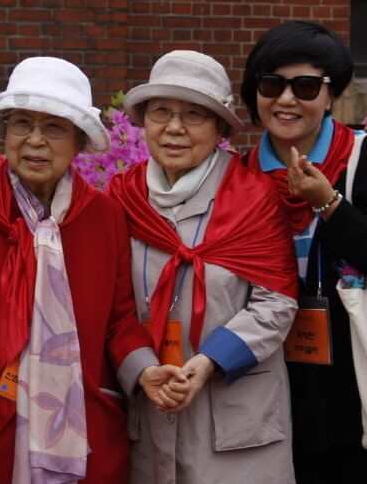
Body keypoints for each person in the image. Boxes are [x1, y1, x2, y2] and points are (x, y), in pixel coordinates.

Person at [0, 56, 186, 484]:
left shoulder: (104, 218)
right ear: (4, 133)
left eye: (54, 128)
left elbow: (119, 320)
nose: (35, 141)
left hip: (87, 429)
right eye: (22, 124)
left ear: (78, 141)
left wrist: (146, 371)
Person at [241, 21, 367, 483]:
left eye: (305, 86)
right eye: (271, 84)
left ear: (329, 95)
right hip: (274, 399)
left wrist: (328, 204)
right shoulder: (239, 175)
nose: (286, 99)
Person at [108, 50, 300, 483]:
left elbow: (277, 301)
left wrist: (212, 360)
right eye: (161, 111)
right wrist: (142, 368)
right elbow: (110, 305)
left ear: (219, 128)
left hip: (236, 420)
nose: (174, 128)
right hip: (150, 406)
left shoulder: (252, 196)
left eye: (194, 114)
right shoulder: (122, 198)